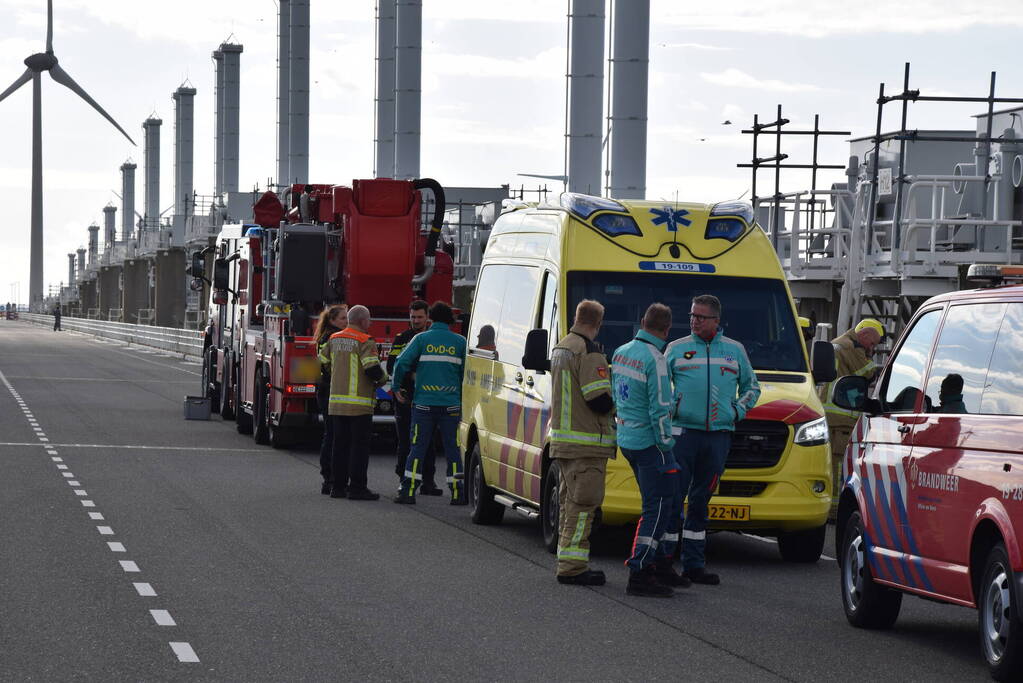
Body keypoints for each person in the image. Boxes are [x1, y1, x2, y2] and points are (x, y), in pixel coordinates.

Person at [666, 294, 760, 586]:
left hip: (718, 436)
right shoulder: (676, 348)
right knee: (673, 499)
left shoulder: (734, 351)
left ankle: (694, 565)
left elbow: (751, 388)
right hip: (682, 435)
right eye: (692, 316)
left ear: (716, 321)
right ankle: (664, 563)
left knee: (700, 500)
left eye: (701, 317)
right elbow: (658, 385)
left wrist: (736, 410)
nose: (694, 321)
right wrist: (673, 407)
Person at [612, 303, 679, 598]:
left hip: (627, 438)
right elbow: (660, 408)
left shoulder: (621, 351)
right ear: (667, 330)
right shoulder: (656, 360)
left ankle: (655, 565)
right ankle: (640, 571)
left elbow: (617, 395)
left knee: (654, 504)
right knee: (659, 507)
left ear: (642, 321)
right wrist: (667, 446)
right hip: (652, 444)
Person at [550, 300, 616, 586]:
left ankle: (567, 560)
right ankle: (573, 567)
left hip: (564, 441)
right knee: (583, 507)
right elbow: (597, 398)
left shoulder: (562, 347)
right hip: (586, 443)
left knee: (569, 504)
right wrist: (618, 406)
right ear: (598, 323)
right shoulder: (589, 352)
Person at [392, 301, 468, 505]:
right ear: (451, 321)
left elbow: (401, 363)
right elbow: (465, 375)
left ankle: (407, 491)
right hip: (451, 406)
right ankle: (458, 492)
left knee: (417, 448)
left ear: (431, 318)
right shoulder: (460, 342)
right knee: (453, 449)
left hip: (423, 405)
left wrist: (396, 386)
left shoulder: (421, 339)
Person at [817, 318, 883, 519]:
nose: (872, 348)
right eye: (871, 344)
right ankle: (834, 511)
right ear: (863, 335)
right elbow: (868, 372)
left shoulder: (841, 343)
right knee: (838, 464)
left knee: (833, 462)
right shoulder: (849, 346)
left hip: (833, 415)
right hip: (840, 416)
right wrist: (873, 360)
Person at [319, 304, 385, 501]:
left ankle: (337, 487)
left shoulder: (334, 338)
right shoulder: (365, 340)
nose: (370, 323)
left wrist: (336, 377)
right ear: (363, 321)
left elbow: (322, 362)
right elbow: (372, 368)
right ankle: (357, 488)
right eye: (369, 320)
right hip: (359, 404)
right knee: (359, 447)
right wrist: (383, 380)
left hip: (337, 403)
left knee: (339, 445)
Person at [387, 300, 440, 495]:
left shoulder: (433, 339)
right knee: (405, 440)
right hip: (406, 397)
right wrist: (411, 375)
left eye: (419, 317)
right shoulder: (402, 338)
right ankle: (404, 478)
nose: (416, 320)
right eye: (413, 317)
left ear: (428, 317)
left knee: (429, 440)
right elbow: (392, 365)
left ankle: (428, 481)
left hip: (429, 396)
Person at [313, 304, 348, 495]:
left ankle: (331, 477)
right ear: (333, 320)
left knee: (332, 434)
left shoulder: (329, 336)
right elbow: (328, 366)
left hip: (327, 390)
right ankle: (329, 477)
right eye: (343, 318)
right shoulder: (331, 338)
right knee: (332, 435)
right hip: (328, 390)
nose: (346, 322)